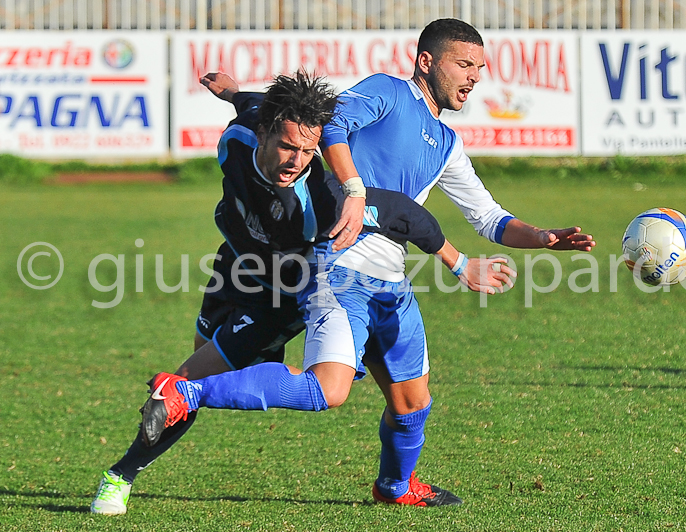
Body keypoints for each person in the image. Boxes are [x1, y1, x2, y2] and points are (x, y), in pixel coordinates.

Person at [137, 18, 595, 508]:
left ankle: (395, 487)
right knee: (327, 389)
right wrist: (353, 190)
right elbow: (329, 122)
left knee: (413, 402)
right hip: (338, 265)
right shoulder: (389, 93)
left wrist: (543, 237)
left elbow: (489, 217)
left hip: (390, 279)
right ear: (426, 62)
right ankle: (186, 392)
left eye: (480, 67)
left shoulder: (446, 143)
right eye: (464, 64)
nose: (474, 76)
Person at [90, 70, 507, 515]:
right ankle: (126, 471)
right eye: (289, 147)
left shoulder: (322, 197)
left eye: (310, 151)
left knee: (192, 383)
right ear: (266, 132)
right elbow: (249, 102)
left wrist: (459, 263)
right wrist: (230, 90)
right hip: (233, 270)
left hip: (285, 294)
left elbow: (406, 214)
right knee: (189, 377)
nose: (297, 160)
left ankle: (120, 474)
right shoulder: (239, 137)